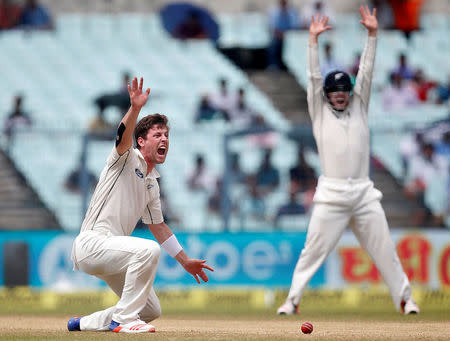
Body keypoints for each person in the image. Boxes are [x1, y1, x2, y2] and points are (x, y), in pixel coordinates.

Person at [277, 8, 420, 316]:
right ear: (327, 95)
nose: (340, 95)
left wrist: (372, 35)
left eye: (344, 90)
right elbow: (313, 77)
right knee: (312, 251)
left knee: (385, 251)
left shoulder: (360, 106)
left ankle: (406, 300)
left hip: (364, 194)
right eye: (335, 91)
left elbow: (366, 72)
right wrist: (312, 42)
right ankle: (292, 301)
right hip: (332, 194)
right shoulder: (320, 111)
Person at [68, 77, 214, 333]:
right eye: (157, 134)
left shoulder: (152, 182)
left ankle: (82, 323)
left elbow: (158, 227)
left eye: (167, 135)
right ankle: (122, 320)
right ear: (141, 142)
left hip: (114, 252)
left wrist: (184, 260)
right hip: (92, 243)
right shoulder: (126, 159)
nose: (164, 140)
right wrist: (135, 109)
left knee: (150, 310)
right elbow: (121, 137)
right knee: (148, 250)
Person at [267, 0, 301, 69]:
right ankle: (273, 65)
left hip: (290, 37)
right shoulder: (274, 12)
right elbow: (273, 28)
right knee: (273, 46)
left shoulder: (292, 12)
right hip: (278, 36)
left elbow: (295, 26)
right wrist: (281, 35)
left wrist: (287, 36)